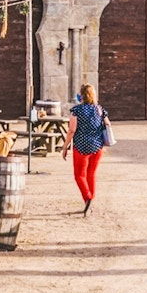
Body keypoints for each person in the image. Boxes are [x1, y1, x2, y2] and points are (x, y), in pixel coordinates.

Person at [61, 83, 108, 216]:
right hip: (97, 147)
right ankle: (90, 203)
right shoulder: (99, 109)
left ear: (81, 95)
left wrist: (65, 147)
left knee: (79, 175)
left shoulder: (76, 111)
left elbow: (71, 130)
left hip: (81, 147)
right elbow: (108, 124)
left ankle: (88, 199)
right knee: (91, 174)